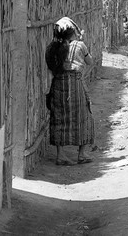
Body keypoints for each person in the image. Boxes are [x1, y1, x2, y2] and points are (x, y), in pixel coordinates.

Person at [45, 17, 95, 166]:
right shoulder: (80, 45)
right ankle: (82, 154)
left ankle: (60, 155)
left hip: (58, 84)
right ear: (72, 32)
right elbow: (90, 62)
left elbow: (51, 66)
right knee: (84, 117)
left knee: (59, 117)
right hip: (75, 84)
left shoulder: (52, 47)